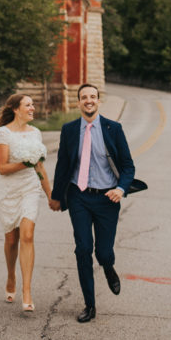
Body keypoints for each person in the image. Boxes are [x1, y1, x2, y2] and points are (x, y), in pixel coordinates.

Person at [50, 83, 135, 323]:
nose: (89, 100)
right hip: (79, 196)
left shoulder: (113, 128)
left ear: (99, 101)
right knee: (83, 248)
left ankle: (108, 268)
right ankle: (90, 305)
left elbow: (128, 166)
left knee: (104, 253)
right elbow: (63, 165)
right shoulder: (69, 130)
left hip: (107, 198)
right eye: (84, 97)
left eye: (93, 97)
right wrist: (57, 196)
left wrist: (120, 188)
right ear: (78, 102)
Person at [0, 93, 53, 313]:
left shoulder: (36, 133)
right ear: (16, 109)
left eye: (33, 104)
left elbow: (40, 167)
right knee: (11, 239)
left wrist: (49, 195)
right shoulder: (4, 133)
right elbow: (3, 168)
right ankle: (11, 276)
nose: (33, 108)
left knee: (27, 234)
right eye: (28, 105)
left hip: (29, 189)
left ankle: (27, 291)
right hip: (8, 190)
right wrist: (26, 163)